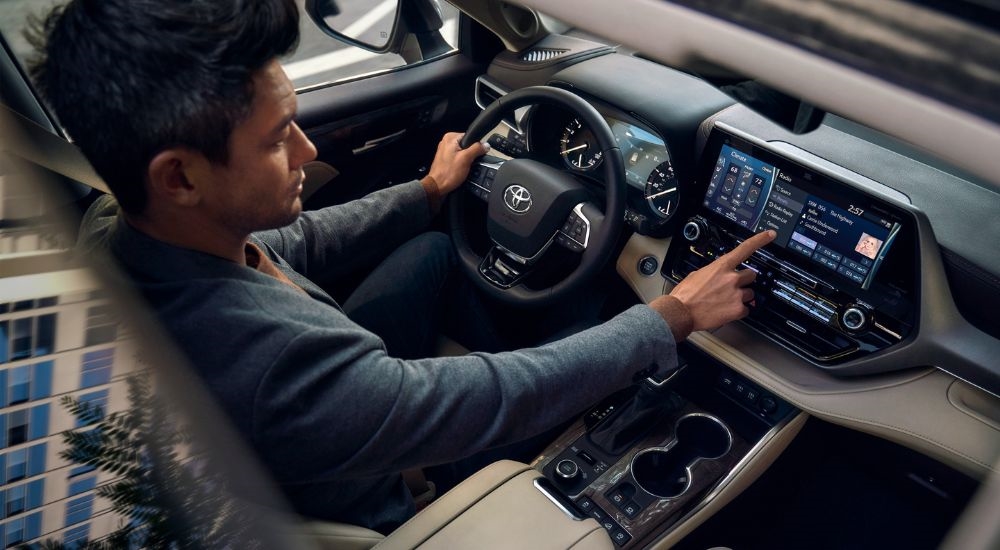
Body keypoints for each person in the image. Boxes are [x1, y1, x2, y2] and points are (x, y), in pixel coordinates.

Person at [32, 0, 775, 534]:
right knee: (584, 337)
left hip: (322, 425)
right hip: (376, 501)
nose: (308, 152)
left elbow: (301, 243)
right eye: (277, 137)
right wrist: (667, 317)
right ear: (180, 178)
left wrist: (426, 191)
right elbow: (490, 396)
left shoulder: (122, 232)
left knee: (432, 251)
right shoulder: (267, 367)